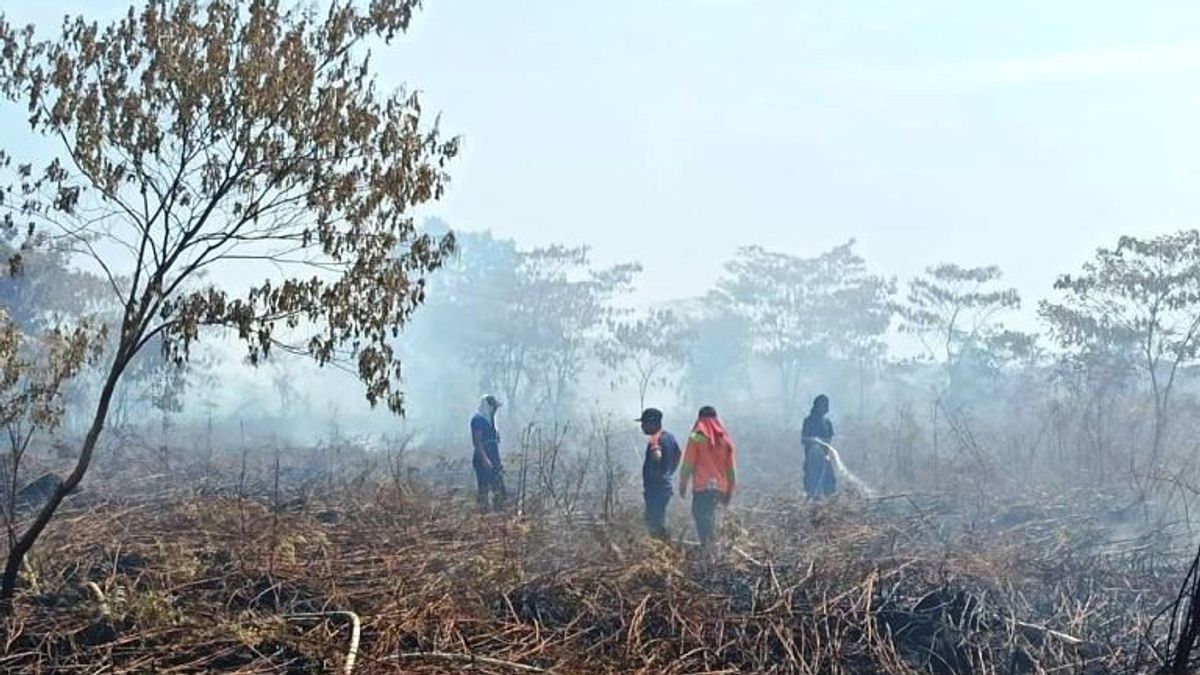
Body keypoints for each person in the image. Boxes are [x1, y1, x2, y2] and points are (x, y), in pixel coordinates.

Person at [678, 405, 737, 550]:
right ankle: (714, 548)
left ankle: (709, 548)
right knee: (711, 516)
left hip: (703, 488)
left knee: (701, 515)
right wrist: (730, 491)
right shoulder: (725, 439)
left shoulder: (697, 436)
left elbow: (688, 463)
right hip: (720, 488)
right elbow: (731, 470)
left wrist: (682, 484)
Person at [637, 408, 681, 541]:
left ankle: (663, 548)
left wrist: (657, 466)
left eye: (644, 423)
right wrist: (669, 472)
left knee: (654, 522)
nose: (642, 426)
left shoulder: (655, 439)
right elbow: (678, 455)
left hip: (656, 489)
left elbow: (657, 455)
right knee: (657, 519)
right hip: (664, 487)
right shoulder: (670, 437)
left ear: (652, 423)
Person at [470, 395, 507, 511]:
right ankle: (482, 515)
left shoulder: (491, 421)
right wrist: (485, 459)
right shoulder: (477, 420)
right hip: (482, 459)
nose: (495, 410)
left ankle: (499, 513)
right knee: (484, 488)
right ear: (487, 407)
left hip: (493, 457)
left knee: (499, 488)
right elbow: (477, 442)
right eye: (493, 407)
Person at [802, 394, 836, 498]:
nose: (825, 408)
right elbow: (804, 439)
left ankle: (828, 497)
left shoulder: (827, 423)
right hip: (813, 456)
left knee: (828, 480)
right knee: (813, 479)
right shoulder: (809, 421)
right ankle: (813, 497)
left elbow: (829, 440)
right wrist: (815, 442)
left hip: (825, 455)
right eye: (823, 405)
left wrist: (827, 450)